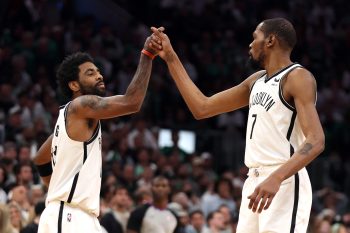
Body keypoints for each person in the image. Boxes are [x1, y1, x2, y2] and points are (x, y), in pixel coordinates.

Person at [151, 17, 325, 232]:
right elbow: (202, 107)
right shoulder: (256, 81)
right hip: (254, 180)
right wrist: (170, 57)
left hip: (284, 178)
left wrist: (277, 177)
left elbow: (316, 140)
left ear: (270, 41)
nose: (251, 44)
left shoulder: (297, 77)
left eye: (255, 37)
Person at [33, 29, 163, 233]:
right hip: (68, 215)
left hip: (80, 216)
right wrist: (147, 56)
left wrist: (58, 187)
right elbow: (132, 102)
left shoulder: (68, 120)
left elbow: (40, 158)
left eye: (98, 71)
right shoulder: (80, 105)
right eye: (90, 73)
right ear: (74, 84)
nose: (99, 75)